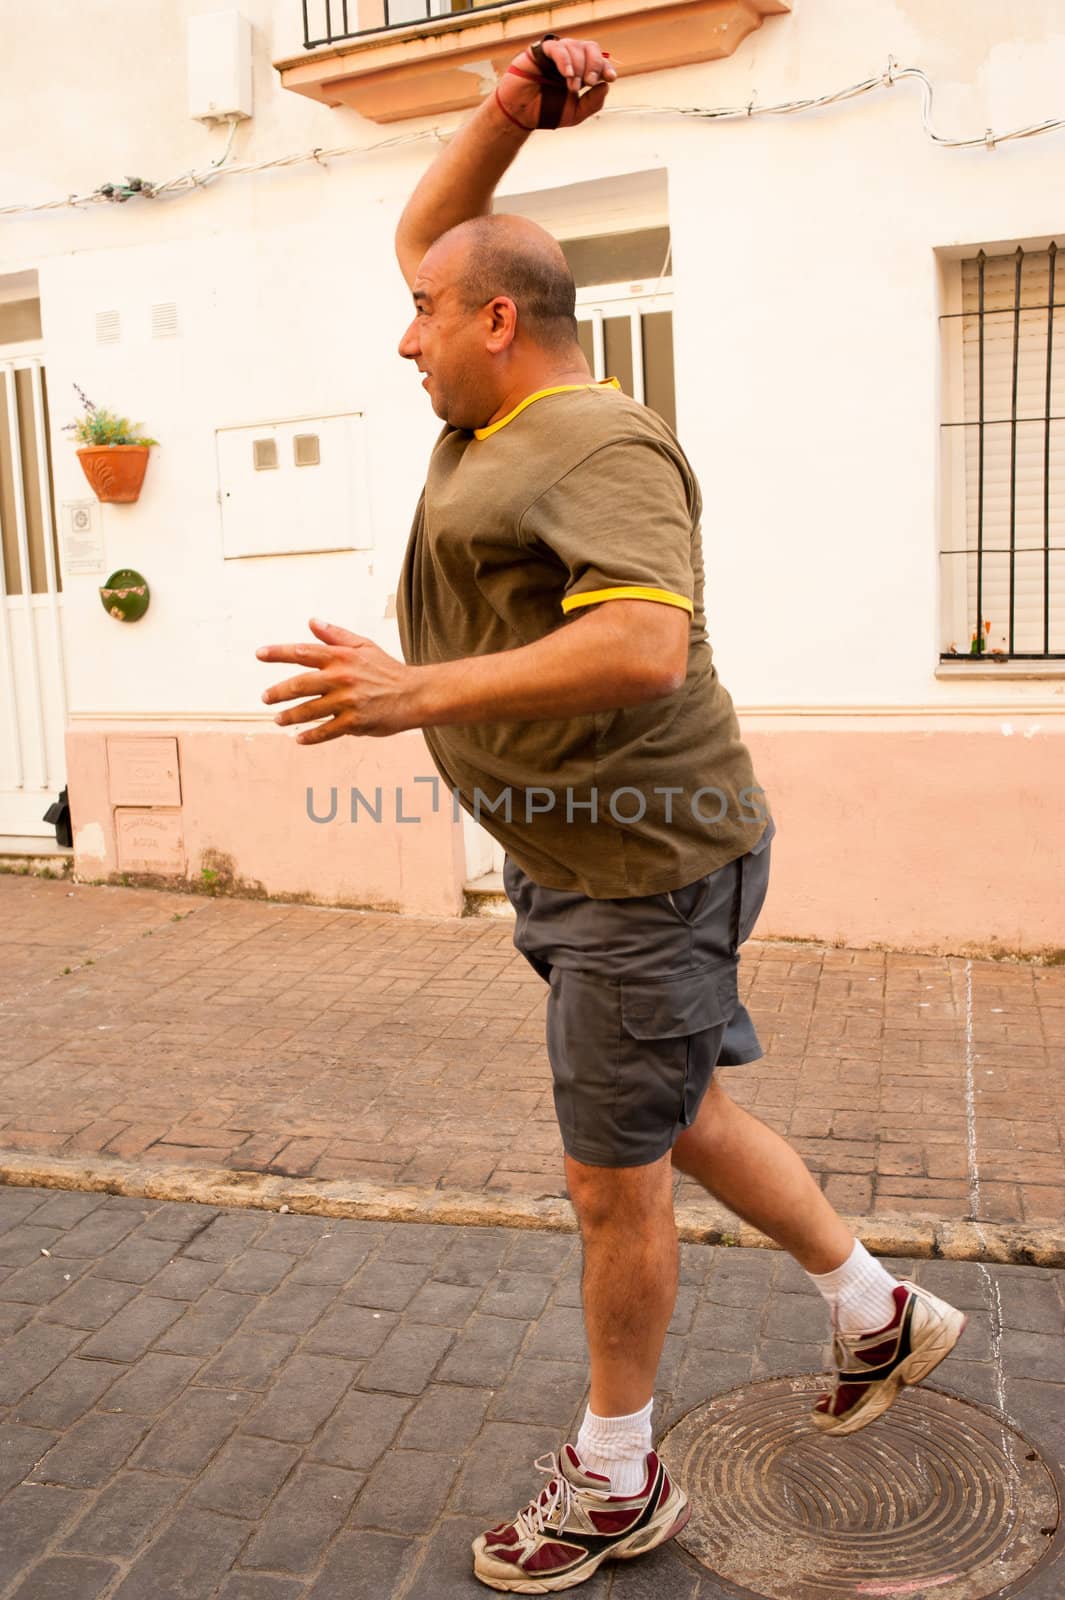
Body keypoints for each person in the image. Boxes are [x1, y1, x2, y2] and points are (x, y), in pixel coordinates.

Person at [257, 34, 967, 1593]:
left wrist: (413, 696)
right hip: (594, 860)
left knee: (610, 1180)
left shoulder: (596, 438)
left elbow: (645, 643)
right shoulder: (496, 416)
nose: (404, 338)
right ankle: (876, 1312)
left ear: (498, 322)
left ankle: (614, 1480)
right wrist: (507, 109)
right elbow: (430, 235)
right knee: (683, 1115)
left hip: (641, 866)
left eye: (426, 316)